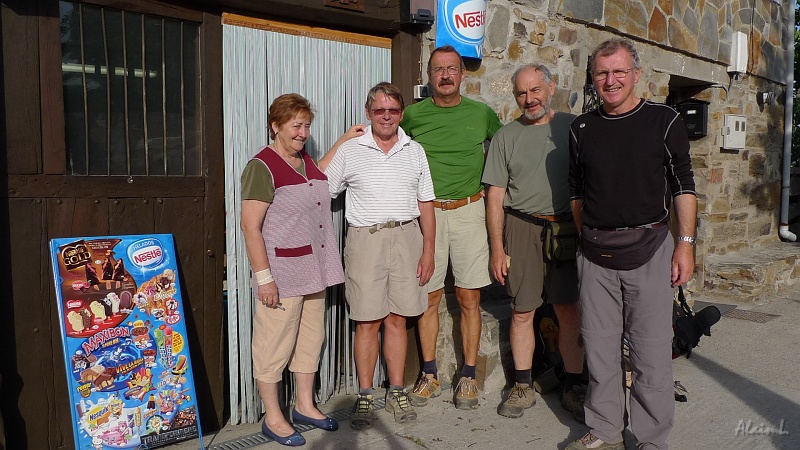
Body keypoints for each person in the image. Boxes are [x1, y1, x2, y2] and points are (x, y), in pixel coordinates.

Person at [567, 38, 697, 450]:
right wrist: (588, 233)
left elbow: (684, 187)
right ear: (593, 78)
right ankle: (604, 430)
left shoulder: (664, 120)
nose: (611, 80)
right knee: (601, 350)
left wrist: (686, 244)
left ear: (636, 74)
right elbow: (575, 192)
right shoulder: (580, 128)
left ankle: (649, 438)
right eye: (603, 73)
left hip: (651, 248)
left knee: (650, 352)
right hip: (595, 254)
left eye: (619, 71)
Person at [320, 82, 436, 430]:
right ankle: (366, 394)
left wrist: (429, 249)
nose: (387, 116)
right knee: (367, 320)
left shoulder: (414, 150)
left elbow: (425, 203)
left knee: (398, 318)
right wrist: (340, 141)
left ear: (401, 113)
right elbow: (320, 187)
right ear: (368, 113)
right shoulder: (352, 150)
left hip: (406, 236)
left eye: (393, 110)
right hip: (365, 239)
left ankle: (396, 390)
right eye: (380, 110)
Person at [400, 45, 503, 410]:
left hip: (469, 211)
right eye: (438, 70)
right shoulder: (412, 116)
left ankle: (469, 376)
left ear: (462, 75)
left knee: (468, 297)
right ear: (429, 77)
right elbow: (388, 144)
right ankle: (429, 374)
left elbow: (504, 151)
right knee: (427, 296)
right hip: (426, 214)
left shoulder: (482, 114)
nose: (445, 75)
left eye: (452, 69)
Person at [240, 93, 345, 447]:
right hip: (283, 273)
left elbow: (320, 176)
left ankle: (304, 405)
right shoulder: (263, 166)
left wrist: (344, 141)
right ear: (276, 126)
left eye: (306, 126)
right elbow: (250, 226)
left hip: (314, 269)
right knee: (273, 345)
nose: (302, 132)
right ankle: (273, 417)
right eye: (296, 126)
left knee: (310, 339)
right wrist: (264, 278)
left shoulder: (306, 162)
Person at [482, 63, 585, 421]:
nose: (529, 99)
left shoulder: (574, 127)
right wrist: (498, 247)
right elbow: (495, 195)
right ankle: (523, 386)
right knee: (522, 310)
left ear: (551, 87)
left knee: (569, 311)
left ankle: (575, 386)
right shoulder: (505, 137)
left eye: (535, 90)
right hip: (521, 227)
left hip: (568, 230)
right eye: (521, 93)